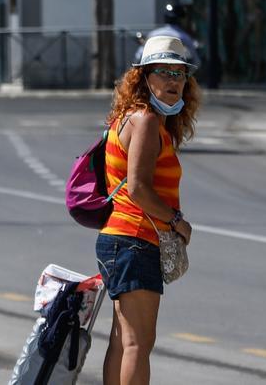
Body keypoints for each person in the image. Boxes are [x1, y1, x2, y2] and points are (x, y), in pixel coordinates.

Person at [97, 35, 199, 385]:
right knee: (138, 343)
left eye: (180, 73)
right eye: (163, 72)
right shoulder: (145, 121)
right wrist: (176, 221)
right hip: (136, 239)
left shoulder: (129, 117)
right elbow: (138, 188)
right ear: (144, 77)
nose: (173, 81)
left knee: (123, 342)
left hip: (120, 240)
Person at [136, 4, 200, 69]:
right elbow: (196, 62)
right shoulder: (183, 37)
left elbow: (139, 56)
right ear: (181, 19)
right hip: (176, 74)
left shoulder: (153, 34)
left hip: (152, 73)